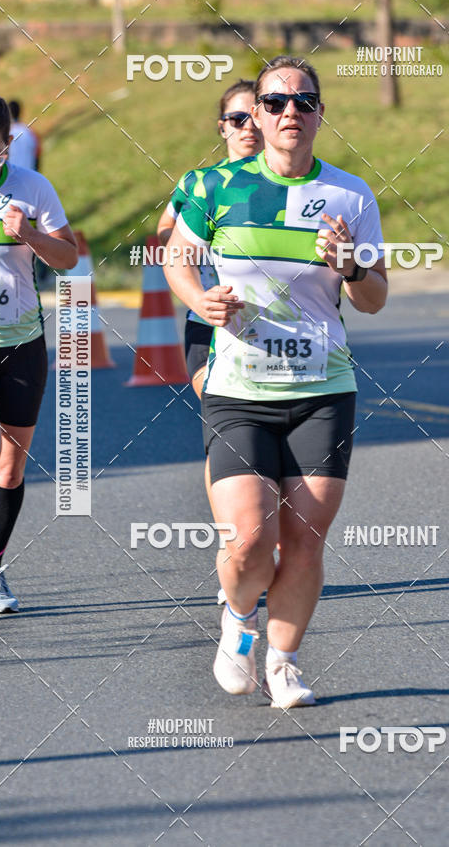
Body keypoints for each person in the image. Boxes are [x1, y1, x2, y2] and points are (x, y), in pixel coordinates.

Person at [165, 56, 388, 708]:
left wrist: (351, 266)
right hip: (240, 389)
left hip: (322, 387)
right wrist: (200, 301)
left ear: (320, 113)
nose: (292, 111)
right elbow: (179, 259)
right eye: (276, 102)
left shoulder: (351, 196)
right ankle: (238, 623)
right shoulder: (216, 185)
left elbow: (373, 299)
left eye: (305, 101)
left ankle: (284, 662)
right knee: (249, 539)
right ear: (257, 115)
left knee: (304, 539)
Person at [158, 80, 264, 606]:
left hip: (280, 330)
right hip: (212, 321)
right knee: (223, 420)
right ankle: (235, 539)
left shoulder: (287, 180)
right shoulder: (202, 183)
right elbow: (165, 238)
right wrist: (197, 280)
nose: (247, 127)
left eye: (254, 116)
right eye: (236, 119)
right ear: (221, 127)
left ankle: (263, 536)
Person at [0, 95, 78, 614]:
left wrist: (32, 235)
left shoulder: (31, 187)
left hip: (21, 342)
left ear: (9, 146)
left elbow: (68, 259)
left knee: (11, 468)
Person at [8, 100, 41, 172]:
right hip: (29, 176)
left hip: (11, 178)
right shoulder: (32, 132)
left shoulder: (3, 134)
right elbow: (37, 157)